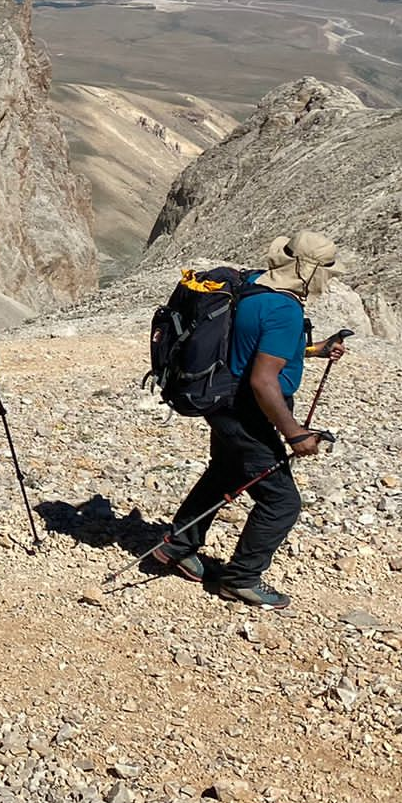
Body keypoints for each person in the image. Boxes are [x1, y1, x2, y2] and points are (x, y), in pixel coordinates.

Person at [148, 232, 347, 610]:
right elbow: (263, 380)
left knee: (224, 473)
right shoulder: (285, 310)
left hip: (219, 400)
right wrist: (295, 434)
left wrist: (314, 350)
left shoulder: (253, 284)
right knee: (282, 501)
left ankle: (177, 547)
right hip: (246, 412)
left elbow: (251, 343)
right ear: (309, 271)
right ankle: (241, 579)